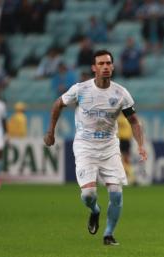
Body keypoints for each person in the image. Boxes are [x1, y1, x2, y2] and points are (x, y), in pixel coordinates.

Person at [43, 49, 148, 245]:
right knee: (88, 194)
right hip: (85, 146)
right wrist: (50, 131)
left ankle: (108, 234)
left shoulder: (120, 93)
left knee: (116, 193)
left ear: (113, 66)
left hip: (109, 147)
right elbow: (58, 104)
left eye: (108, 63)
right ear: (94, 68)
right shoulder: (80, 89)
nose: (105, 67)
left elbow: (134, 121)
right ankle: (95, 210)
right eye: (101, 64)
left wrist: (140, 145)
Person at [117, 113, 135, 185]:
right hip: (123, 140)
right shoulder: (123, 118)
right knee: (123, 159)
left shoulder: (123, 118)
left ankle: (129, 177)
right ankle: (128, 177)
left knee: (124, 159)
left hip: (125, 141)